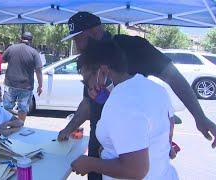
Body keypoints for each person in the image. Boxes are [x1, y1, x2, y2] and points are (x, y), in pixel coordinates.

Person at [58, 11, 216, 179]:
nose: (77, 46)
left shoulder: (133, 48)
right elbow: (89, 102)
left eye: (78, 39)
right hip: (106, 150)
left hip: (133, 155)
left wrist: (199, 117)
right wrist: (70, 129)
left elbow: (173, 78)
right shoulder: (92, 61)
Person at [71, 39, 178, 179]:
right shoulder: (155, 88)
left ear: (103, 71)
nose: (88, 87)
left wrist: (90, 163)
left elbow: (135, 171)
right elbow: (169, 127)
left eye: (86, 81)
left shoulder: (121, 101)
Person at [2, 32, 43, 121]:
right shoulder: (34, 52)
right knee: (23, 108)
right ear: (31, 41)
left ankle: (6, 126)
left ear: (21, 39)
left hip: (10, 84)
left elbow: (2, 60)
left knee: (7, 107)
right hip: (26, 86)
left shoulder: (11, 48)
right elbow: (38, 70)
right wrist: (40, 86)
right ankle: (19, 127)